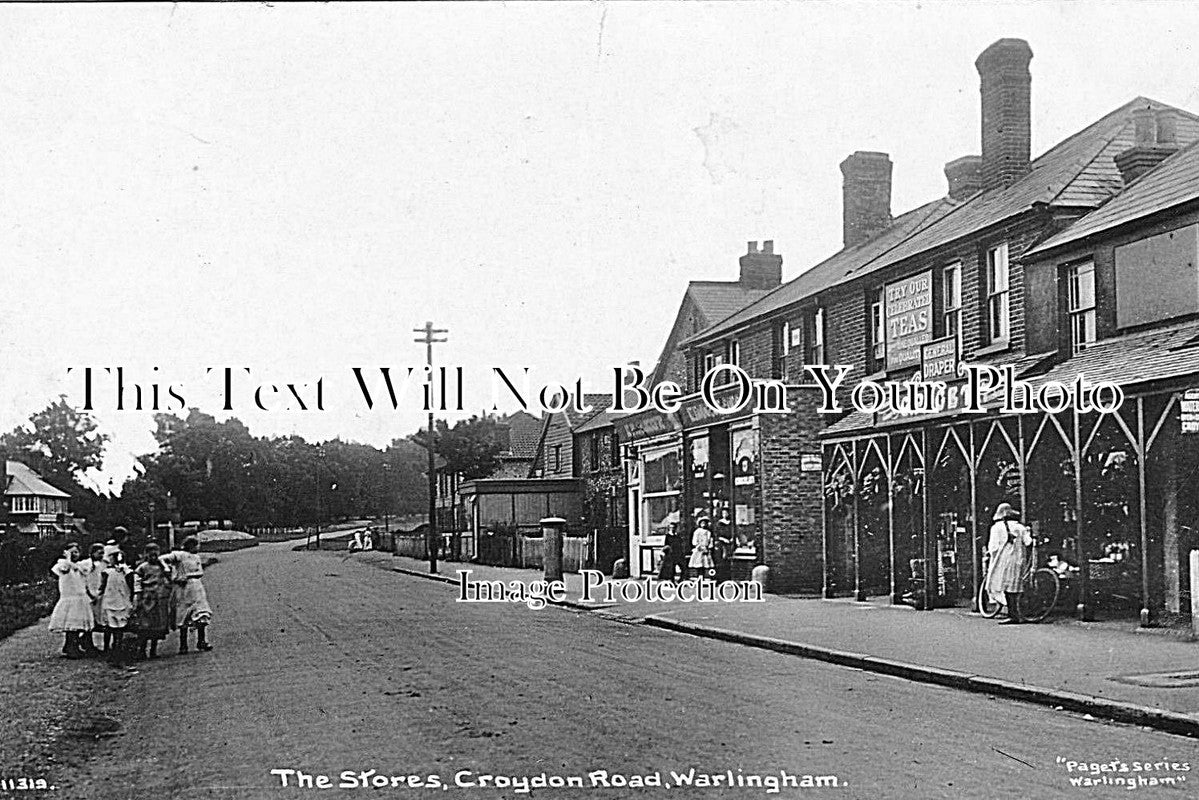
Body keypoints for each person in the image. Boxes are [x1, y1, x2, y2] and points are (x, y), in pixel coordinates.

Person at [161, 535, 213, 654]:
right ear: (191, 545)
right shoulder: (180, 555)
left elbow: (200, 572)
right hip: (183, 588)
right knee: (184, 614)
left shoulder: (197, 557)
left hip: (196, 587)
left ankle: (201, 641)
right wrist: (169, 571)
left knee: (201, 613)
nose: (198, 547)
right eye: (196, 545)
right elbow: (162, 559)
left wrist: (189, 575)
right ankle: (183, 645)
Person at [985, 502, 1033, 624]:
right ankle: (1018, 613)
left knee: (1002, 586)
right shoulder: (1020, 527)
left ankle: (1012, 615)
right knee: (1015, 587)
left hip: (1002, 561)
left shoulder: (996, 528)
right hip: (1018, 561)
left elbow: (993, 548)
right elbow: (1028, 542)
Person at [48, 543, 93, 658]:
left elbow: (85, 571)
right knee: (71, 624)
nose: (74, 555)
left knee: (77, 624)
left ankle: (71, 646)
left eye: (76, 552)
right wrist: (67, 558)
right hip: (69, 597)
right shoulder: (62, 564)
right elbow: (65, 569)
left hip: (80, 597)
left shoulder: (82, 565)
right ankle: (71, 648)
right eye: (71, 552)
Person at [131, 542, 173, 659]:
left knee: (157, 625)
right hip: (147, 598)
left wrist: (163, 565)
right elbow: (137, 582)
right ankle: (142, 650)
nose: (153, 557)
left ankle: (153, 650)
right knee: (145, 625)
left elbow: (169, 576)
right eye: (150, 554)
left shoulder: (162, 567)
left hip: (159, 598)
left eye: (156, 554)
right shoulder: (142, 567)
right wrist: (138, 597)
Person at [97, 545, 133, 663]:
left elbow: (131, 586)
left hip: (122, 601)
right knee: (110, 626)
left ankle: (117, 649)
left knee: (119, 626)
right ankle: (108, 648)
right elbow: (102, 587)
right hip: (110, 601)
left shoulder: (127, 572)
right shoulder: (106, 572)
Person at [80, 543, 107, 656]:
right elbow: (83, 579)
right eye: (99, 553)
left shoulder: (104, 564)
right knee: (89, 619)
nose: (101, 555)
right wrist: (90, 594)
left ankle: (90, 643)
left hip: (100, 594)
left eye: (103, 553)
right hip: (89, 593)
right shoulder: (85, 564)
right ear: (92, 553)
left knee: (99, 619)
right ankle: (87, 642)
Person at [713, 518, 734, 584]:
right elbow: (716, 535)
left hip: (729, 545)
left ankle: (727, 578)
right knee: (720, 561)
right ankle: (720, 578)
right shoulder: (719, 524)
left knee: (727, 560)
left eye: (726, 513)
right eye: (724, 513)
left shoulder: (731, 524)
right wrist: (722, 539)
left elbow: (733, 533)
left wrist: (732, 538)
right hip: (720, 545)